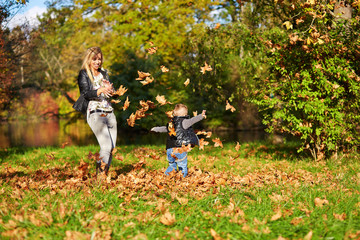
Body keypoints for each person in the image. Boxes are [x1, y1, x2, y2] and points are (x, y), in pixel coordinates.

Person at [73, 47, 117, 175]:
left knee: (111, 148)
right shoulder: (84, 73)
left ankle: (103, 175)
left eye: (99, 59)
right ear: (89, 60)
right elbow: (85, 94)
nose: (98, 62)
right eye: (94, 59)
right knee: (106, 147)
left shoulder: (104, 73)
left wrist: (111, 91)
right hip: (95, 112)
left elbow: (108, 93)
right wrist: (100, 90)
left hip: (109, 112)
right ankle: (100, 178)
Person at [151, 104, 206, 177]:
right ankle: (182, 179)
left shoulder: (171, 123)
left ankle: (166, 177)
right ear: (184, 114)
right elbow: (192, 120)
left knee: (172, 166)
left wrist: (156, 129)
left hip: (170, 149)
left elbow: (164, 128)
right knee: (182, 165)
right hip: (180, 148)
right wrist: (201, 116)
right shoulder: (185, 121)